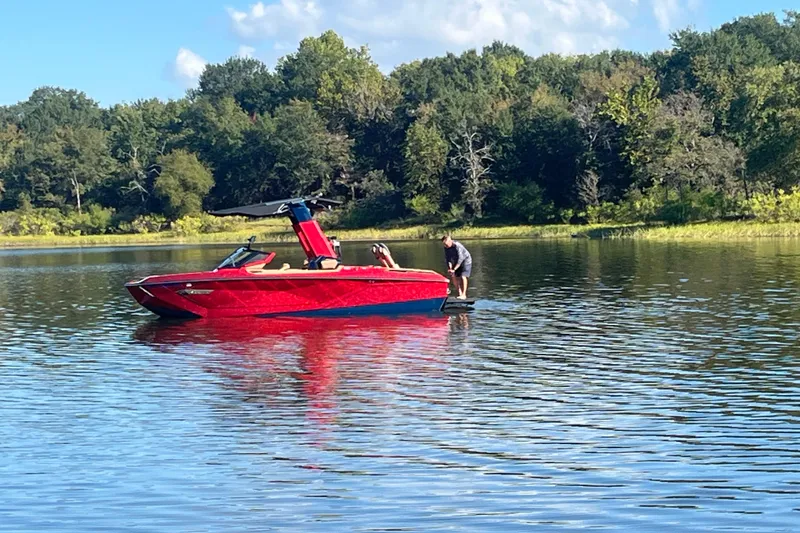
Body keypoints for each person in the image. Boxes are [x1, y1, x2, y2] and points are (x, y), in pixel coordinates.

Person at [442, 235, 472, 299]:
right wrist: (450, 268)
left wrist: (454, 269)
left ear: (450, 241)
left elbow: (461, 258)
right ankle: (459, 293)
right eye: (444, 244)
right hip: (455, 261)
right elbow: (447, 258)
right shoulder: (446, 247)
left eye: (446, 244)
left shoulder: (457, 246)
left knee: (463, 276)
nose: (446, 246)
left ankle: (464, 294)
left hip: (465, 260)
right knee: (453, 276)